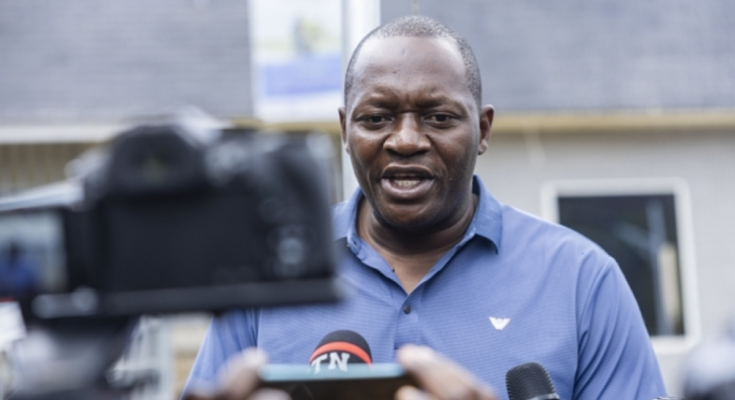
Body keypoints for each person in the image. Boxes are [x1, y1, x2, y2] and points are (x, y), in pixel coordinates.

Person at [183, 16, 666, 400]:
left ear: (483, 130)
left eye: (438, 117)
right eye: (377, 118)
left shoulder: (582, 280)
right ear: (345, 130)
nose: (406, 140)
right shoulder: (264, 274)